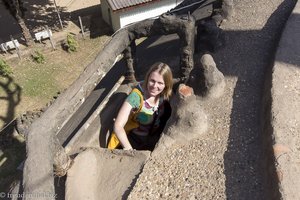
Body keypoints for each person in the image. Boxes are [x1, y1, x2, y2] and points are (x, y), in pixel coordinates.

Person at [107, 62, 173, 151]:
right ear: (147, 78)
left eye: (160, 83)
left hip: (153, 139)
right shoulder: (136, 97)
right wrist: (129, 149)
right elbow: (118, 126)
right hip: (133, 142)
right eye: (152, 81)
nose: (154, 86)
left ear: (166, 85)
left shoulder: (164, 96)